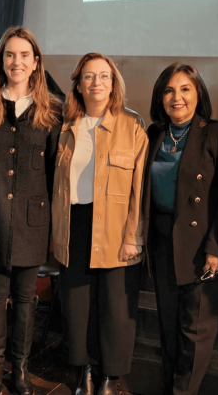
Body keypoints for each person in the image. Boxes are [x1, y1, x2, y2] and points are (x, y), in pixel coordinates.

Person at [0, 27, 62, 395]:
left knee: (25, 298)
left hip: (32, 220)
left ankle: (19, 367)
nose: (17, 62)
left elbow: (55, 169)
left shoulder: (52, 109)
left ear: (36, 62)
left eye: (24, 55)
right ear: (1, 61)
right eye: (10, 55)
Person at [52, 53, 149, 395]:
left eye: (104, 76)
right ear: (78, 83)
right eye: (89, 76)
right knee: (78, 305)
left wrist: (133, 236)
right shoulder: (64, 125)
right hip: (74, 224)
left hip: (115, 227)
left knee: (115, 308)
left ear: (114, 82)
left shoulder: (132, 125)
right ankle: (85, 371)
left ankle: (109, 374)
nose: (97, 83)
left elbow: (140, 188)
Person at [142, 63, 218, 395]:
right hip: (161, 244)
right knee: (168, 326)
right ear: (161, 96)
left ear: (198, 93)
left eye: (185, 88)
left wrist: (217, 249)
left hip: (203, 247)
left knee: (196, 332)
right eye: (169, 90)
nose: (177, 97)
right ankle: (169, 385)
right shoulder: (154, 134)